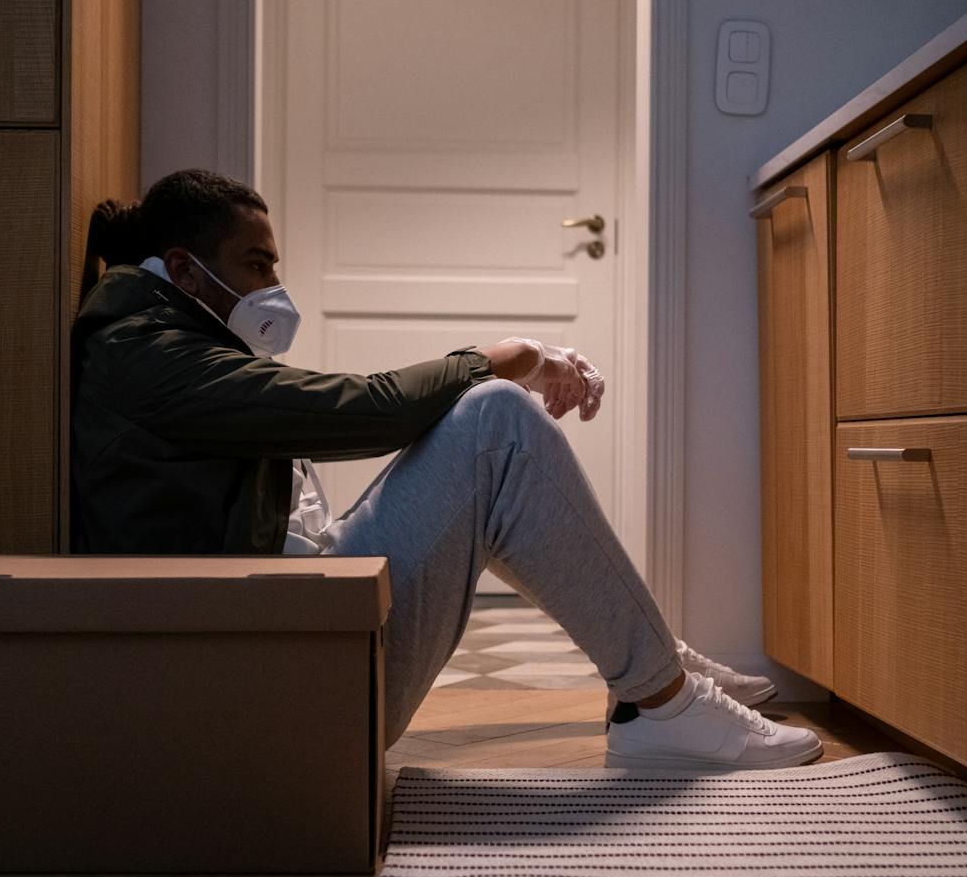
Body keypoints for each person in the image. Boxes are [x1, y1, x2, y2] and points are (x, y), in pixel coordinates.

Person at [71, 168, 822, 770]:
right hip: (290, 683)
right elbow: (366, 411)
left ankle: (653, 670)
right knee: (495, 421)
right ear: (185, 270)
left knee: (490, 441)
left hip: (304, 631)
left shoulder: (162, 339)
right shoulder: (147, 356)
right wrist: (513, 356)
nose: (273, 284)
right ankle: (661, 701)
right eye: (257, 262)